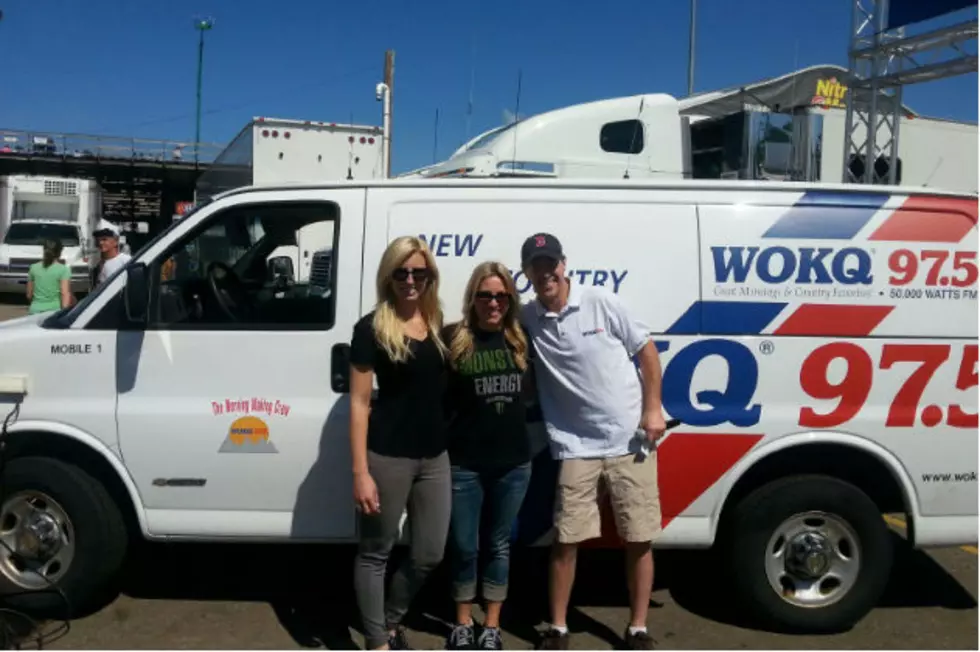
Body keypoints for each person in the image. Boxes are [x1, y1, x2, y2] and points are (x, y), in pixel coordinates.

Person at [518, 233, 666, 651]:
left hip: (629, 440)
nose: (545, 272)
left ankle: (637, 628)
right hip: (574, 445)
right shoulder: (528, 317)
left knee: (638, 537)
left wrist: (652, 410)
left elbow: (648, 351)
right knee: (566, 539)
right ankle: (559, 627)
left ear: (564, 264)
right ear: (527, 272)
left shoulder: (601, 301)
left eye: (551, 264)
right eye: (535, 266)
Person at [349, 236, 452, 651]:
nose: (410, 280)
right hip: (387, 456)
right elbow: (358, 403)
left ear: (430, 277)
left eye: (419, 272)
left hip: (435, 458)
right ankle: (377, 642)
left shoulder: (438, 323)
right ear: (389, 277)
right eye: (402, 272)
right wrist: (360, 473)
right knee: (375, 553)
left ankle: (390, 620)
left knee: (429, 553)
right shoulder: (371, 327)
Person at [442, 262, 536, 651]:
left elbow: (531, 396)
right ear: (473, 298)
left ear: (510, 300)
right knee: (464, 545)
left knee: (498, 544)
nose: (493, 303)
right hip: (464, 463)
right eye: (485, 295)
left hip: (513, 463)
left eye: (501, 295)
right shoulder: (453, 337)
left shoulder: (521, 339)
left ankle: (492, 625)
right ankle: (463, 622)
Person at [26, 240, 72, 314]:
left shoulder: (33, 267)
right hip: (54, 311)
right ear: (60, 252)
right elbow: (64, 293)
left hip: (35, 310)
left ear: (44, 250)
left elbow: (29, 295)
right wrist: (64, 312)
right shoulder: (64, 270)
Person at [92, 220, 132, 287]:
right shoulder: (98, 265)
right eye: (98, 240)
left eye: (104, 239)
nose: (100, 243)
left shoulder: (126, 261)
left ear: (116, 241)